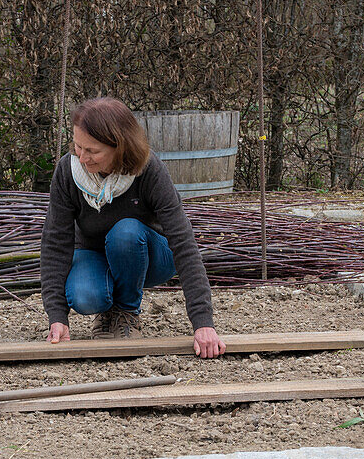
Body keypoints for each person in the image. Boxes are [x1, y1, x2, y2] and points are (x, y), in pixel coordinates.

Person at [40, 97, 225, 358]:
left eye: (92, 151)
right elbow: (55, 242)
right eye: (77, 146)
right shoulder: (67, 171)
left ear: (120, 147)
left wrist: (203, 322)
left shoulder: (149, 170)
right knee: (85, 297)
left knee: (125, 232)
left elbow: (183, 241)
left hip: (148, 255)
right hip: (94, 253)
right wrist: (57, 316)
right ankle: (108, 311)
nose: (82, 157)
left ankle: (126, 312)